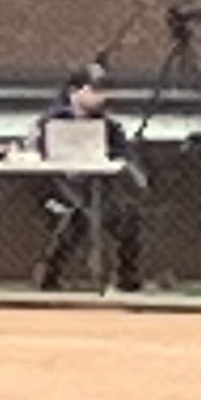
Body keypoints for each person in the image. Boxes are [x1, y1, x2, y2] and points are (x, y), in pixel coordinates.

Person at [32, 62, 144, 292]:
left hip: (98, 190)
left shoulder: (110, 126)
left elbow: (123, 156)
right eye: (93, 89)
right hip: (59, 188)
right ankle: (50, 277)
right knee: (77, 213)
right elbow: (39, 155)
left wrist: (117, 162)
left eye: (102, 90)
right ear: (75, 91)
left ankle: (126, 277)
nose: (100, 96)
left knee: (128, 215)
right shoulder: (51, 121)